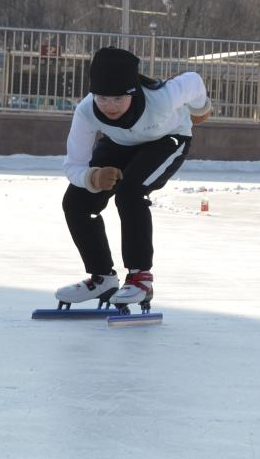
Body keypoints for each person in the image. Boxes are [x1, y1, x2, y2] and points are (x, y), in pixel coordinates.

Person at [55, 46, 213, 309]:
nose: (110, 106)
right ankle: (102, 277)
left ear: (133, 91)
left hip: (168, 139)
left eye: (118, 99)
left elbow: (194, 81)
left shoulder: (162, 97)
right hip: (119, 143)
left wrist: (200, 110)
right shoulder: (86, 111)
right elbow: (73, 165)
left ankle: (140, 278)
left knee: (130, 193)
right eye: (102, 98)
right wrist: (93, 177)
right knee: (76, 202)